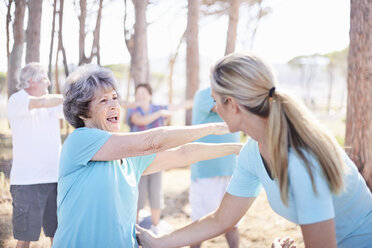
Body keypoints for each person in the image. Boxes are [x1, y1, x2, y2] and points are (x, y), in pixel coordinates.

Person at [136, 52, 372, 248]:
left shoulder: (301, 160)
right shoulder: (252, 152)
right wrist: (159, 242)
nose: (215, 109)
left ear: (232, 104)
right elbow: (221, 219)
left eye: (216, 100)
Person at [51, 64, 242, 247]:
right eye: (103, 100)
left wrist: (236, 148)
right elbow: (154, 141)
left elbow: (183, 154)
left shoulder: (128, 156)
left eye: (115, 98)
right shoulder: (80, 140)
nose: (113, 105)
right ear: (83, 112)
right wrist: (212, 128)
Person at [7, 63, 64, 248]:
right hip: (27, 183)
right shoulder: (17, 100)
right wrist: (67, 97)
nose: (48, 83)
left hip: (54, 179)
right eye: (44, 79)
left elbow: (69, 112)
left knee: (58, 234)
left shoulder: (52, 103)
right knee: (25, 238)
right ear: (31, 81)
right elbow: (41, 103)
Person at [126, 83, 192, 233]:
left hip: (157, 158)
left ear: (150, 95)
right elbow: (139, 121)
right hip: (138, 160)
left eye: (144, 94)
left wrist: (196, 100)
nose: (141, 97)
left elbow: (178, 106)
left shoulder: (158, 108)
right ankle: (134, 229)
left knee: (156, 192)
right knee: (138, 194)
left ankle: (155, 227)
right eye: (138, 94)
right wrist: (160, 114)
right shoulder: (133, 110)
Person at [189, 86, 240, 248]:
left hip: (230, 168)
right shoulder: (205, 94)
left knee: (233, 221)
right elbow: (229, 108)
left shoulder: (235, 93)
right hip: (207, 170)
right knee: (200, 223)